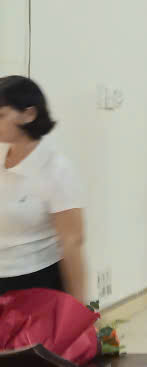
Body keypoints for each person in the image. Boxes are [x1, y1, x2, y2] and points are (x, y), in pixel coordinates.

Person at [0, 76, 86, 302]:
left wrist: (80, 308)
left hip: (36, 284)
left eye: (1, 115)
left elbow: (72, 241)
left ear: (29, 114)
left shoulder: (56, 169)